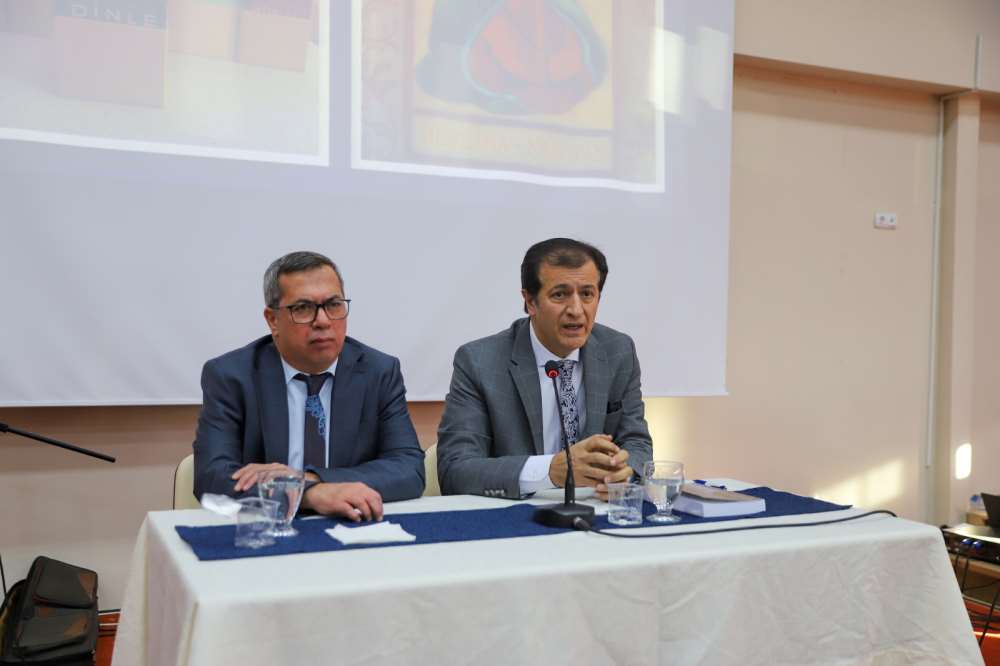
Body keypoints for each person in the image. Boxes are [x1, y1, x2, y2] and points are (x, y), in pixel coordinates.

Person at [193, 251, 424, 521]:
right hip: (267, 528)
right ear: (273, 320)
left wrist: (310, 479)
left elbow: (409, 469)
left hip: (352, 525)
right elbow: (212, 477)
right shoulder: (232, 376)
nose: (323, 321)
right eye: (303, 308)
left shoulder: (378, 372)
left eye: (333, 305)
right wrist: (308, 494)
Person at [437, 238, 652, 500]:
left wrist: (625, 473)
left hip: (596, 507)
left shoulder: (618, 351)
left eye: (587, 294)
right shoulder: (479, 361)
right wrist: (550, 471)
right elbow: (455, 470)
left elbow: (637, 443)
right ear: (530, 301)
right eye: (559, 295)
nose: (576, 310)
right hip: (514, 513)